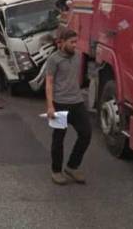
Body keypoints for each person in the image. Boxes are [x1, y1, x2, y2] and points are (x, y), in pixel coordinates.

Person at [45, 28, 91, 186]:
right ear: (62, 42)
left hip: (77, 102)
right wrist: (50, 106)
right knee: (58, 139)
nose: (75, 45)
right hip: (60, 104)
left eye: (76, 42)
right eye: (71, 42)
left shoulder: (77, 56)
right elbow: (49, 83)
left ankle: (72, 166)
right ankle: (56, 171)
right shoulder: (53, 59)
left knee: (86, 134)